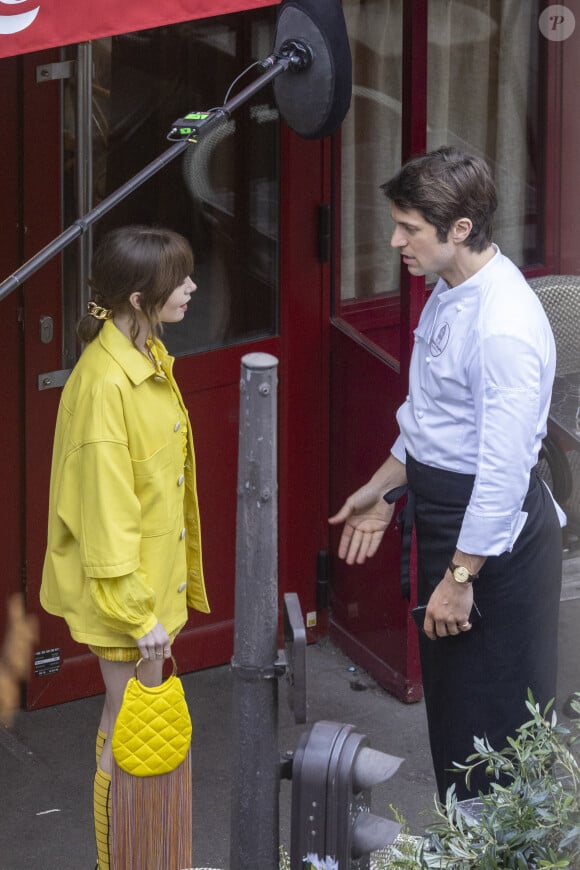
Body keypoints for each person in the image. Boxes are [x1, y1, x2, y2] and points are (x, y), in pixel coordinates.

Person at [329, 147, 564, 801]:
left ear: (459, 229)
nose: (396, 240)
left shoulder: (503, 328)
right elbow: (430, 418)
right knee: (457, 722)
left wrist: (461, 578)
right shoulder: (449, 289)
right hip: (447, 521)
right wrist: (384, 487)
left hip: (492, 547)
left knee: (495, 737)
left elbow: (501, 472)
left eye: (409, 227)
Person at [40, 225, 210, 869]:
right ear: (139, 298)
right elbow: (106, 515)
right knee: (130, 726)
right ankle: (124, 860)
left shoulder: (143, 356)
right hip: (130, 603)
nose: (193, 286)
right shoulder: (106, 383)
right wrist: (139, 617)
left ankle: (139, 856)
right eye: (180, 280)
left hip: (144, 595)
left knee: (132, 725)